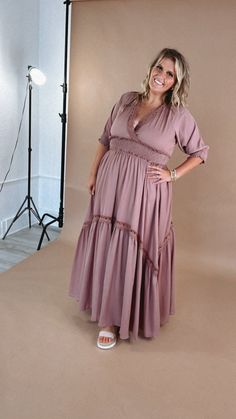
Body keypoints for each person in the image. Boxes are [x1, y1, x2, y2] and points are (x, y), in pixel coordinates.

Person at [69, 47, 209, 350]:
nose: (162, 75)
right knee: (109, 244)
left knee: (131, 248)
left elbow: (200, 153)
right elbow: (105, 139)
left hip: (145, 194)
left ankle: (123, 315)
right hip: (109, 183)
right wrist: (93, 174)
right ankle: (106, 314)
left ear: (176, 82)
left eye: (170, 73)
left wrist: (171, 175)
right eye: (160, 68)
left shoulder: (178, 115)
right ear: (151, 68)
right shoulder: (126, 100)